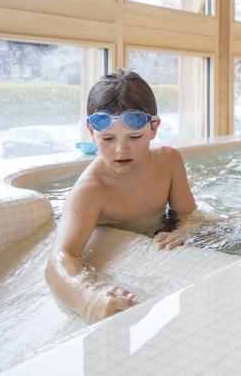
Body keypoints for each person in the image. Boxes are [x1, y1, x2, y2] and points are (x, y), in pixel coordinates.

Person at [46, 69, 197, 322]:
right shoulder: (92, 189)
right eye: (107, 138)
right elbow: (59, 259)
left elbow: (188, 213)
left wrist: (183, 231)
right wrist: (88, 298)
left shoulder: (169, 161)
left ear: (154, 128)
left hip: (159, 232)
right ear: (91, 132)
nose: (120, 149)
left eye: (134, 137)